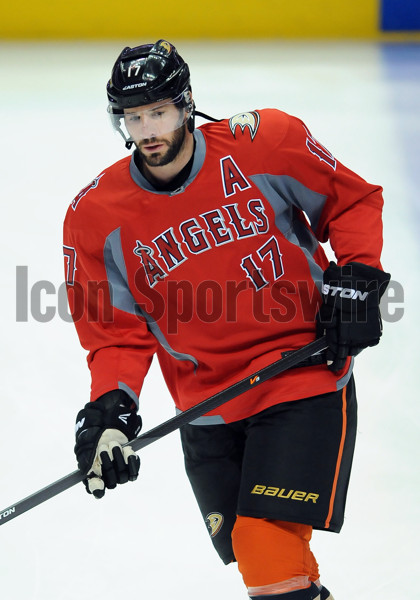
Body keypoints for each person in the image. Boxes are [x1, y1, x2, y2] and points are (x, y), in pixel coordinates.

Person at [64, 40, 390, 600]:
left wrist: (357, 277)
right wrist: (110, 410)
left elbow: (351, 200)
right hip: (207, 403)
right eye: (132, 116)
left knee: (264, 544)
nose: (146, 129)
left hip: (300, 370)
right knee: (267, 558)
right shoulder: (95, 216)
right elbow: (114, 333)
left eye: (159, 111)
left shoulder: (264, 145)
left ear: (187, 106)